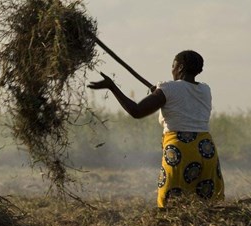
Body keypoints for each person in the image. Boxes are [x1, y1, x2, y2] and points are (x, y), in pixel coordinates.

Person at [88, 50, 224, 208]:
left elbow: (137, 111)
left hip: (181, 150)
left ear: (180, 67)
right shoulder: (205, 90)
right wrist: (161, 93)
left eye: (173, 66)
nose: (171, 70)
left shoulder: (169, 88)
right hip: (206, 150)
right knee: (208, 204)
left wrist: (112, 87)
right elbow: (183, 100)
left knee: (170, 205)